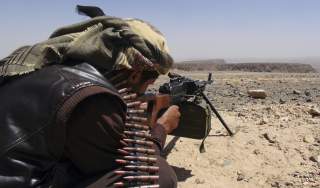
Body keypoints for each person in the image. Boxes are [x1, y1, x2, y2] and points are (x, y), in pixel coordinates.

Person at [0, 5, 179, 188]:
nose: (144, 92)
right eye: (148, 85)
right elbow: (133, 167)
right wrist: (161, 129)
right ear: (134, 74)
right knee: (160, 174)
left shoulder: (53, 68)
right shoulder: (94, 100)